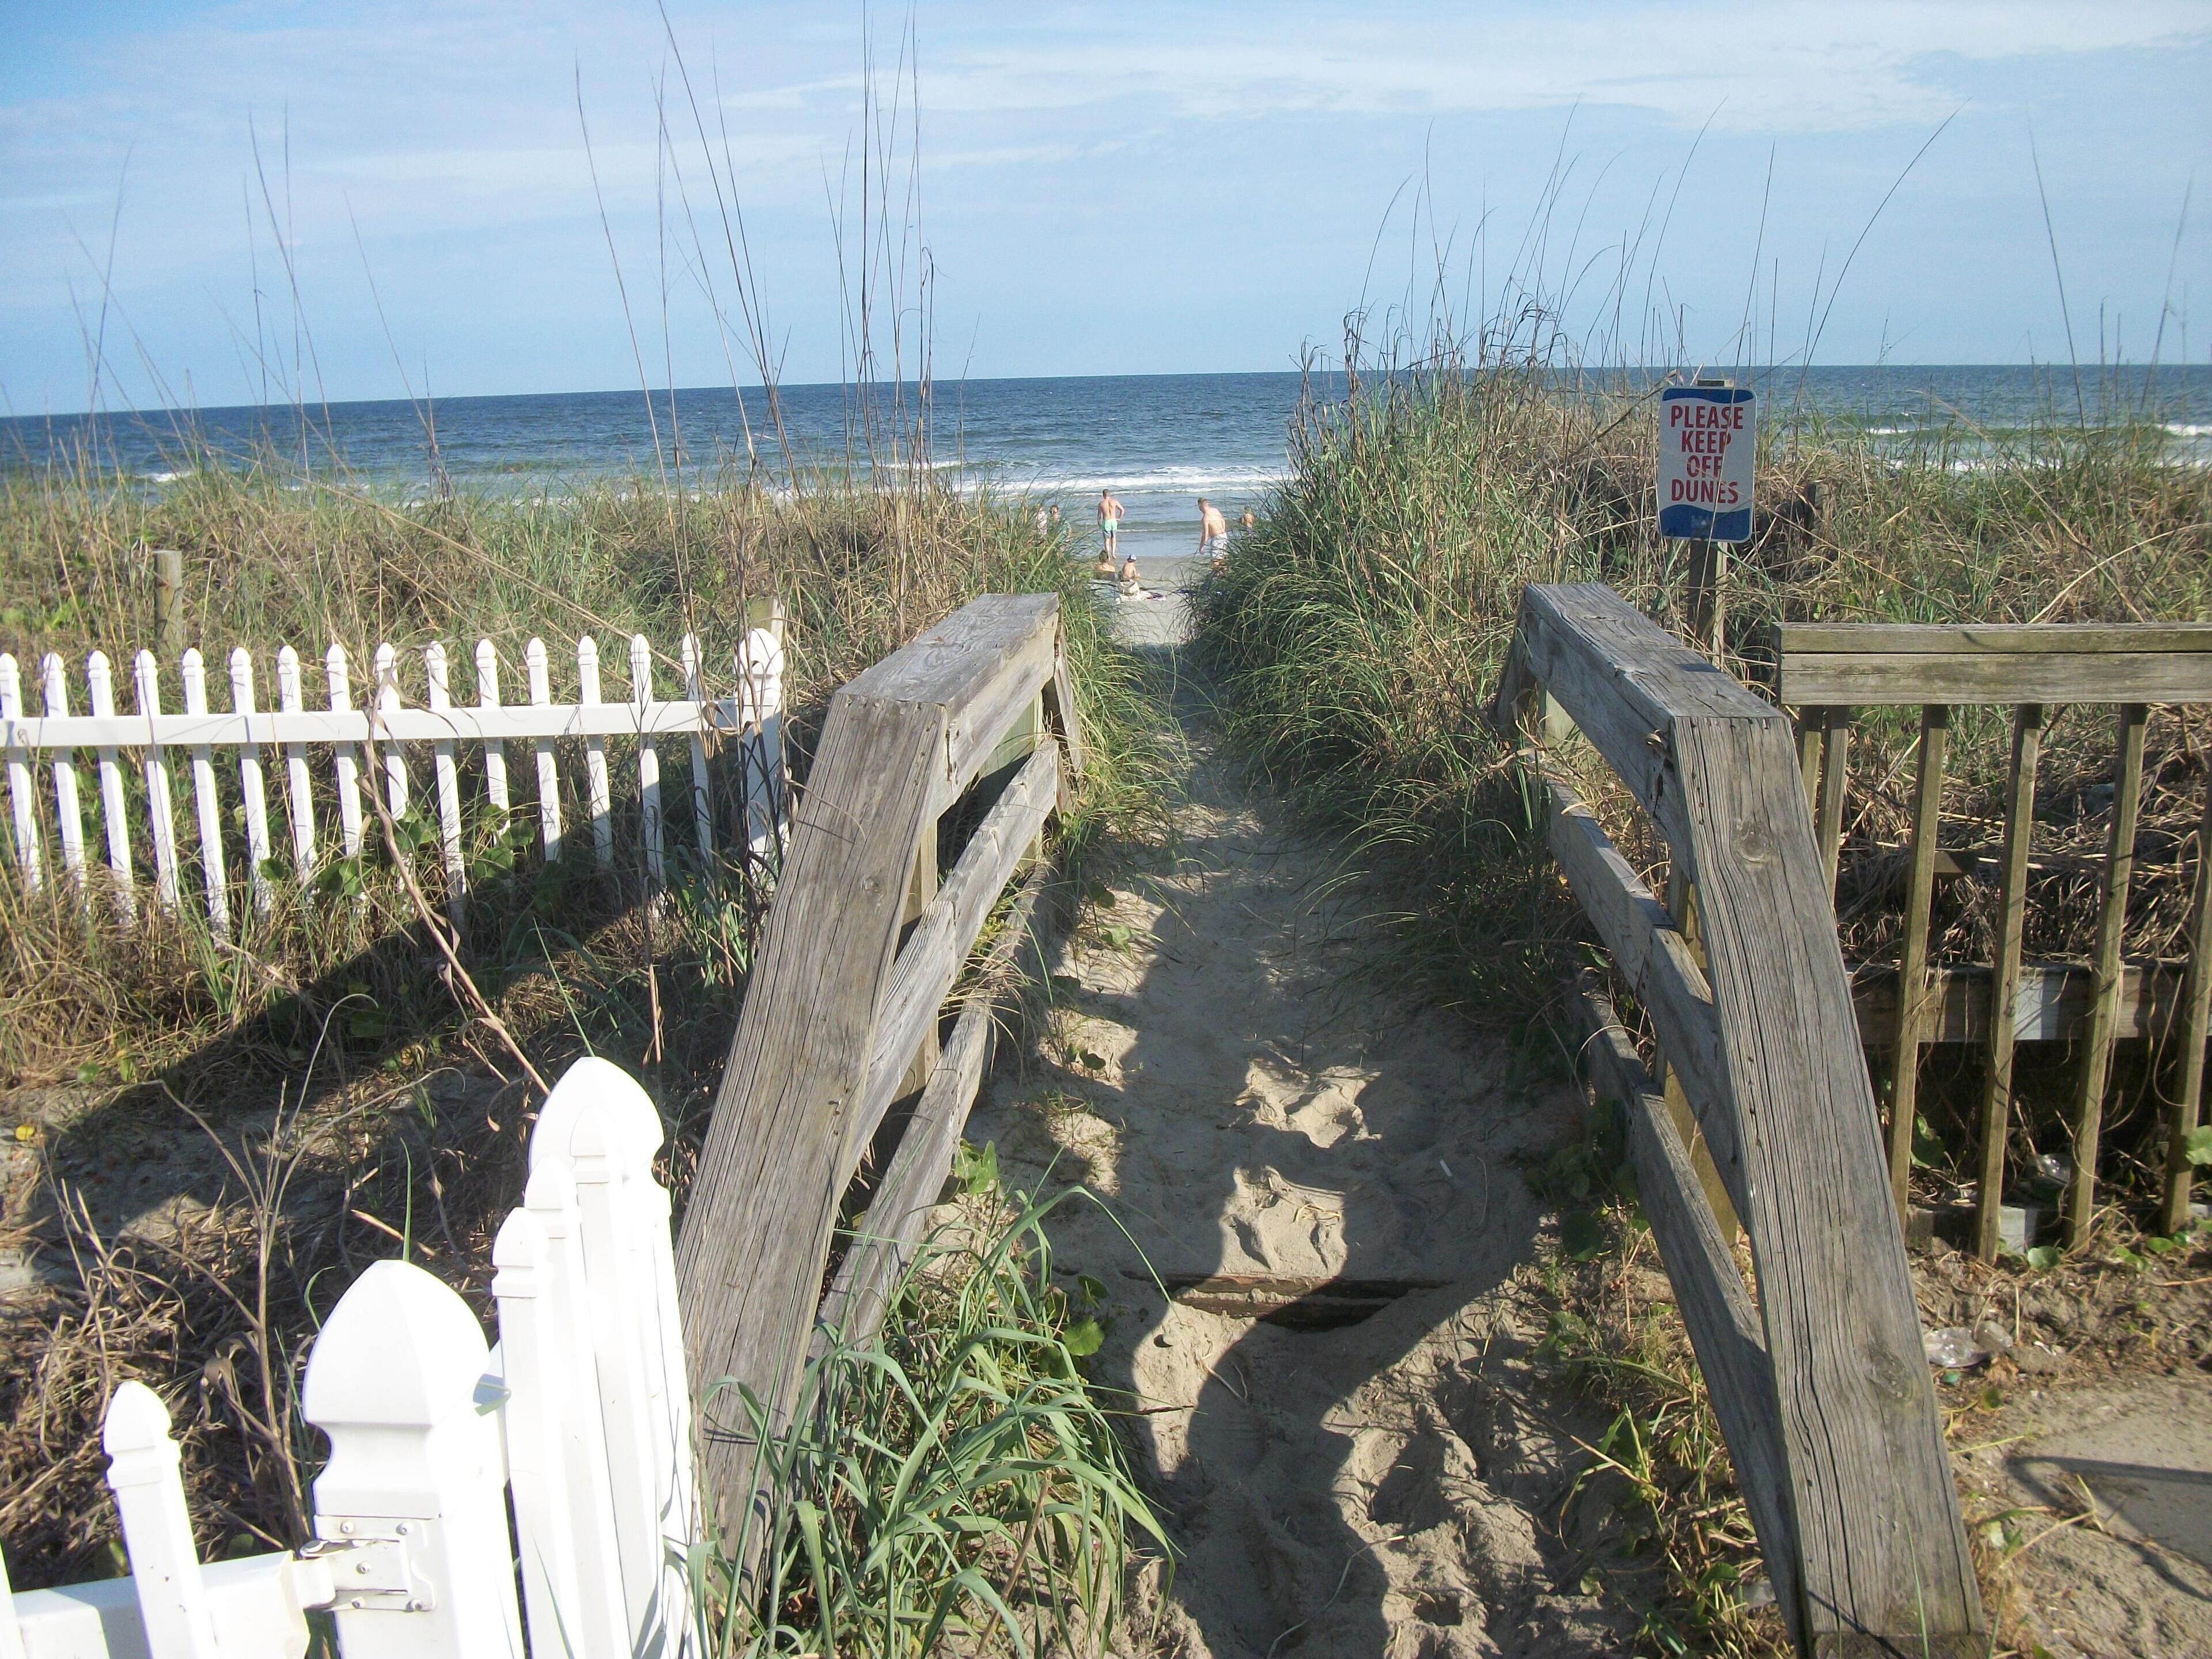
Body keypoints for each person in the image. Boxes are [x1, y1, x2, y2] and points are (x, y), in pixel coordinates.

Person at [1197, 496, 1229, 566]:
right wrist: (1223, 530)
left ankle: (1216, 575)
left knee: (1216, 560)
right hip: (1224, 535)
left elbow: (1205, 535)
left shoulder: (1205, 518)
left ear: (1200, 505)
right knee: (1222, 558)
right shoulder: (1215, 510)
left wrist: (1201, 547)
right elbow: (1223, 520)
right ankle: (1223, 574)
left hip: (1217, 538)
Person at [1097, 488, 1124, 564]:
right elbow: (1122, 510)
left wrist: (1099, 523)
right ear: (1109, 494)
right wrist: (1119, 518)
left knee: (1107, 540)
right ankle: (1113, 553)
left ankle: (1108, 555)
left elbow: (1099, 516)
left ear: (1103, 495)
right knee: (1114, 538)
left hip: (1106, 522)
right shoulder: (1115, 502)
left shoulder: (1101, 504)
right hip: (1113, 521)